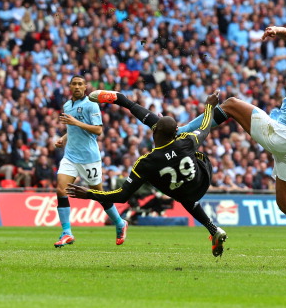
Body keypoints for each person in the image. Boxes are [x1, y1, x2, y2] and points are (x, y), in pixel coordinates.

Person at [89, 26, 286, 268]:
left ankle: (183, 129)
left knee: (230, 104)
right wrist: (280, 31)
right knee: (285, 202)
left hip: (283, 134)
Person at [67, 91, 228, 257]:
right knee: (185, 155)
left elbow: (122, 195)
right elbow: (205, 127)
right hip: (201, 179)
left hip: (181, 190)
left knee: (167, 183)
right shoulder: (185, 141)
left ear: (155, 130)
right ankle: (213, 230)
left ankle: (122, 100)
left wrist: (89, 193)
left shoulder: (146, 163)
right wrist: (209, 106)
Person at [53, 75, 127, 248]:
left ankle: (120, 223)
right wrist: (63, 139)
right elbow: (72, 129)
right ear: (70, 86)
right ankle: (66, 232)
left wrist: (75, 122)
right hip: (70, 155)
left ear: (85, 87)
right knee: (60, 189)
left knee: (98, 193)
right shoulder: (67, 105)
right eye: (74, 84)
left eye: (80, 84)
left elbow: (98, 130)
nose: (77, 87)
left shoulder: (91, 105)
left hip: (89, 158)